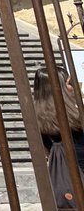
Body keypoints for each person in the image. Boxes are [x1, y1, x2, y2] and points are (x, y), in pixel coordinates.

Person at [33, 66, 84, 208]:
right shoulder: (76, 116)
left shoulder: (38, 119)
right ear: (60, 88)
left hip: (65, 181)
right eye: (69, 83)